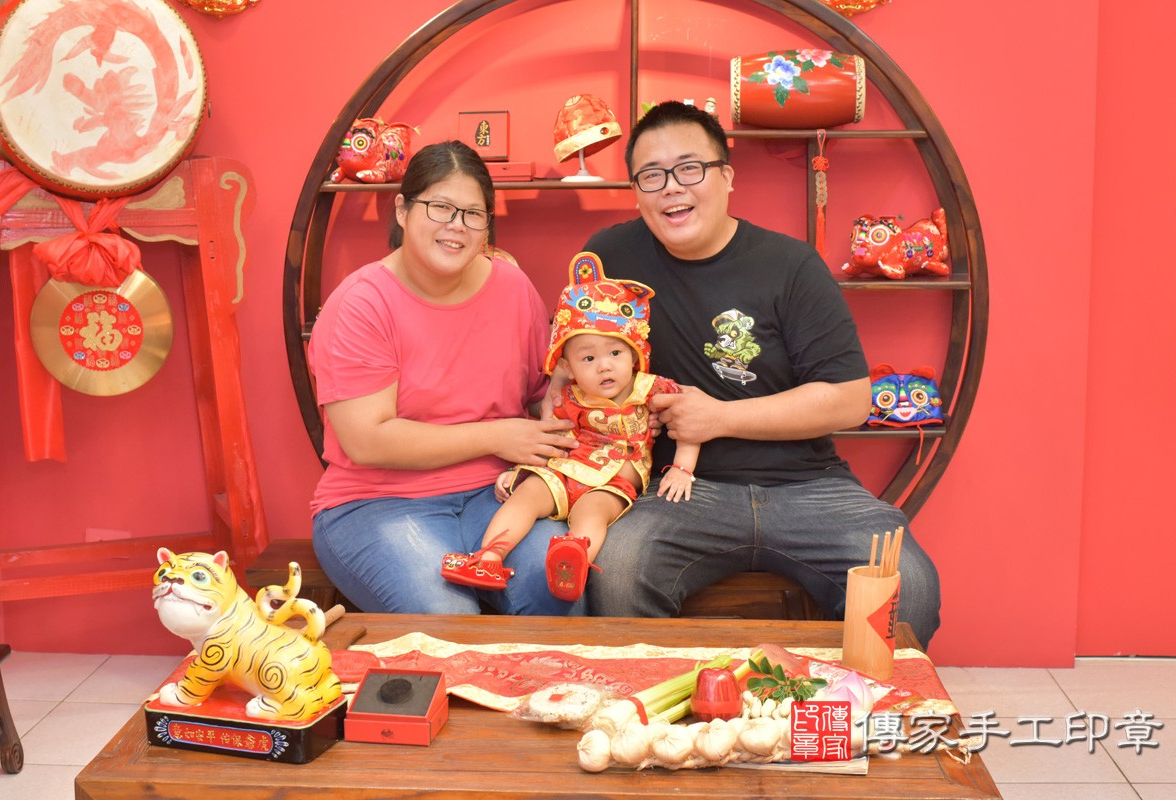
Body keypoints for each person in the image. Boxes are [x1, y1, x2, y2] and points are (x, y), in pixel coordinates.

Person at [579, 101, 942, 645]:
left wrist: (718, 418)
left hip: (809, 486)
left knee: (907, 583)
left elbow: (850, 400)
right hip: (679, 487)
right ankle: (662, 699)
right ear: (636, 191)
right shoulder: (610, 258)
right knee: (618, 571)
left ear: (727, 177)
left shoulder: (791, 266)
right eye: (651, 176)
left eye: (689, 169)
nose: (671, 188)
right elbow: (574, 351)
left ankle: (845, 699)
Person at [308, 140, 582, 616]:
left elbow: (540, 395)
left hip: (499, 492)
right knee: (449, 617)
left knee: (555, 585)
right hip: (378, 502)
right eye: (440, 207)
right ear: (402, 210)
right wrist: (498, 435)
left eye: (473, 214)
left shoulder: (513, 289)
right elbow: (367, 441)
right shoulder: (361, 304)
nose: (456, 225)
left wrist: (589, 397)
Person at [441, 252, 699, 602]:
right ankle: (488, 558)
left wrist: (682, 468)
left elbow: (688, 422)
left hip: (616, 477)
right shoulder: (568, 396)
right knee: (527, 494)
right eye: (588, 358)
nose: (604, 366)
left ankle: (573, 560)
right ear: (567, 367)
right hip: (568, 466)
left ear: (635, 354)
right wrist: (522, 468)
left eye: (616, 354)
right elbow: (554, 435)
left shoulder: (650, 389)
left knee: (591, 512)